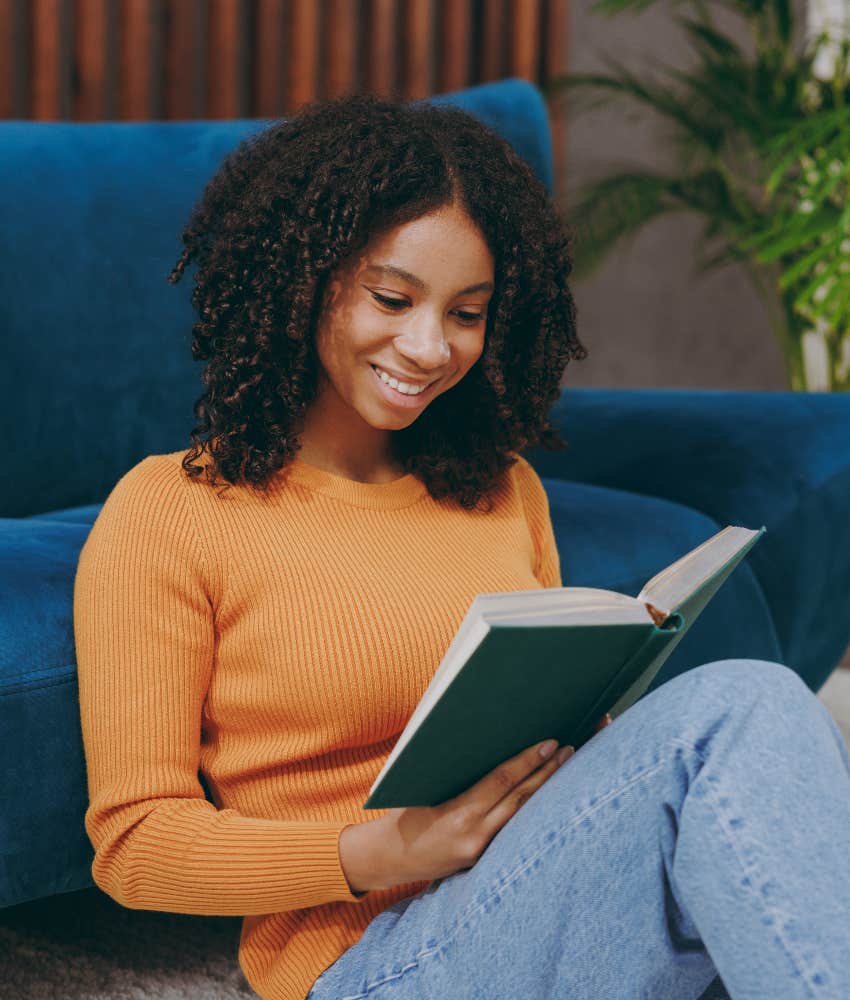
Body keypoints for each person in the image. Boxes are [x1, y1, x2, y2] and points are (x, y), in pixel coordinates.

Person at [72, 92, 850, 1000]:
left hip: (548, 893)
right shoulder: (172, 509)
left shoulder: (499, 486)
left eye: (468, 313)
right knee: (743, 704)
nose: (429, 346)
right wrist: (385, 848)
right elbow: (135, 845)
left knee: (763, 749)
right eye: (393, 298)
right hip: (373, 958)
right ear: (304, 279)